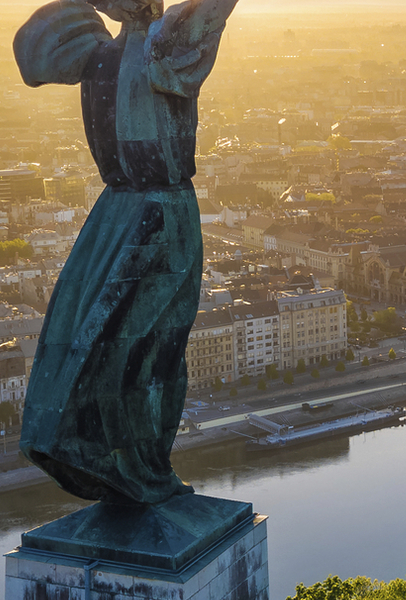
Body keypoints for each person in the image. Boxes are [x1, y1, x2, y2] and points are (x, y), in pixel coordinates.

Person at [13, 0, 239, 506]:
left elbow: (33, 58)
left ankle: (106, 454)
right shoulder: (165, 48)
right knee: (155, 351)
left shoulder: (91, 56)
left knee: (103, 338)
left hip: (114, 213)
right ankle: (143, 467)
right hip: (162, 210)